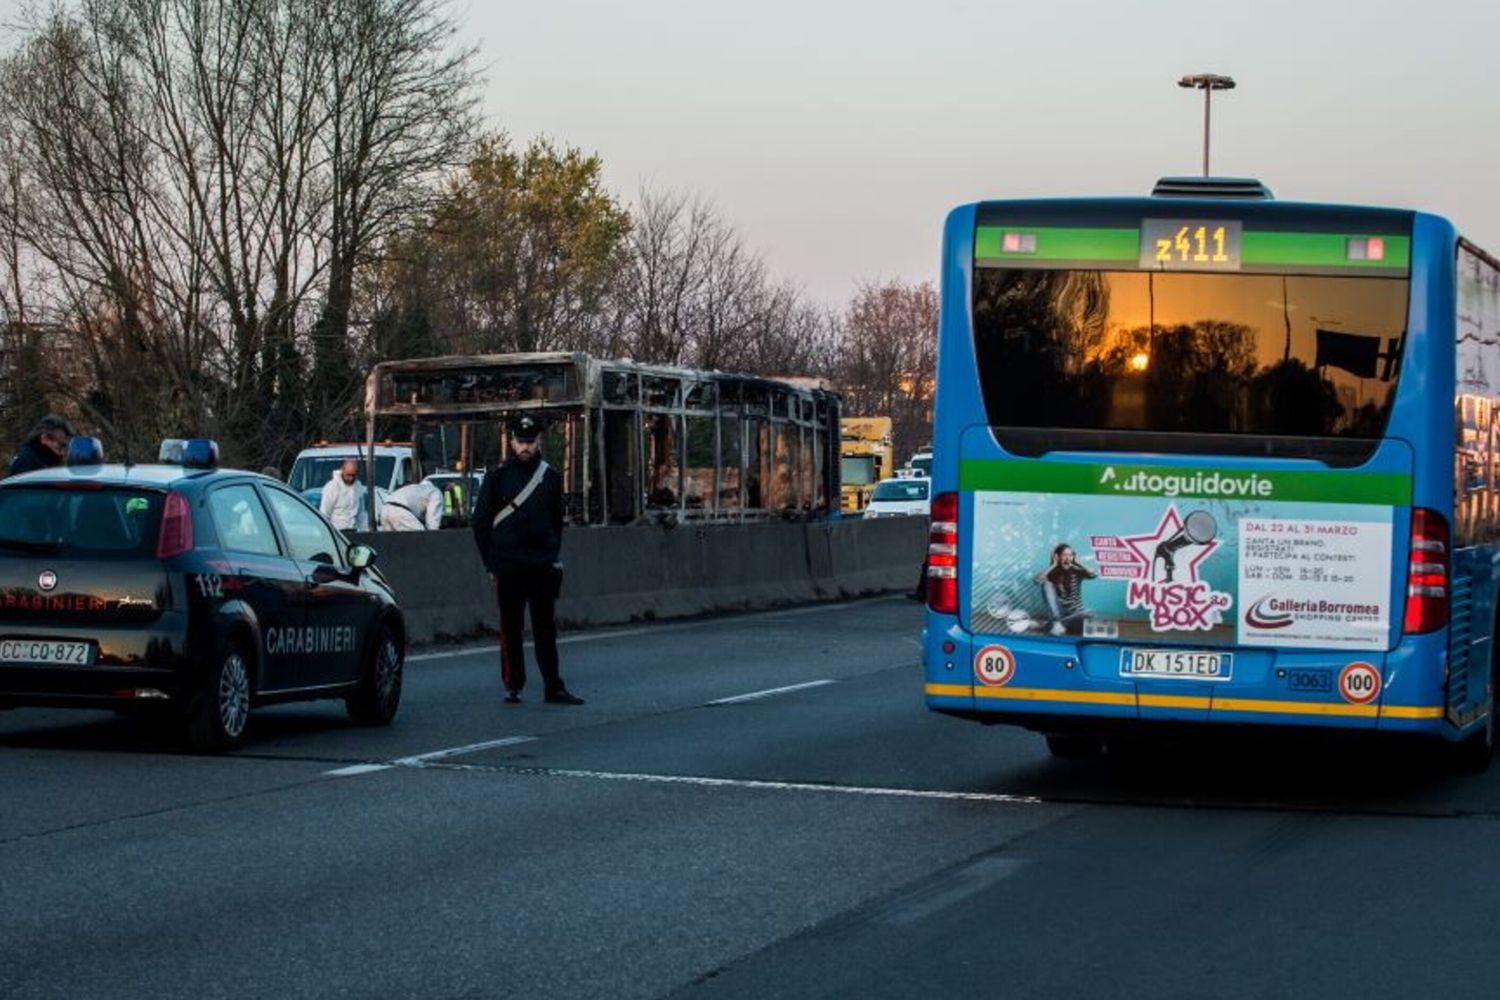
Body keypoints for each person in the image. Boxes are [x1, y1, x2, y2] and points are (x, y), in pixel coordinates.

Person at [472, 415, 583, 706]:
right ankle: (513, 685)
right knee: (511, 629)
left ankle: (553, 687)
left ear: (538, 442)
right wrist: (490, 563)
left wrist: (551, 554)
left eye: (530, 441)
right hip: (508, 566)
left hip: (541, 566)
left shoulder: (550, 477)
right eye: (520, 441)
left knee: (545, 629)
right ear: (512, 442)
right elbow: (481, 521)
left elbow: (556, 522)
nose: (525, 446)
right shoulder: (497, 477)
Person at [1036, 543, 1096, 636]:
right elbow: (1037, 580)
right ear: (1057, 557)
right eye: (1064, 555)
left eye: (1070, 555)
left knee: (1089, 613)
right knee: (1046, 584)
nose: (1068, 558)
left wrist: (1077, 562)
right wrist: (1053, 565)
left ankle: (1055, 624)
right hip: (1060, 613)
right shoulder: (1052, 574)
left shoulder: (1076, 571)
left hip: (1076, 615)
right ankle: (1055, 622)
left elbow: (1093, 574)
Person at [7, 414, 76, 478]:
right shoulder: (28, 463)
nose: (63, 453)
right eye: (60, 446)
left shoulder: (41, 461)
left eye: (66, 448)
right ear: (45, 438)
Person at [319, 459, 368, 531]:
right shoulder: (332, 487)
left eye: (353, 475)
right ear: (342, 470)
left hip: (354, 530)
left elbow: (361, 513)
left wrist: (365, 530)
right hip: (337, 531)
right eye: (348, 475)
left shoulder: (358, 486)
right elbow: (324, 513)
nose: (351, 478)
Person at [379, 479, 444, 531]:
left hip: (384, 510)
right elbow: (432, 522)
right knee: (421, 536)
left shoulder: (414, 488)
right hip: (400, 511)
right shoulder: (435, 492)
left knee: (391, 541)